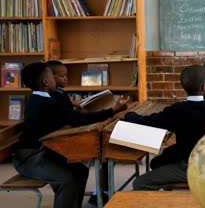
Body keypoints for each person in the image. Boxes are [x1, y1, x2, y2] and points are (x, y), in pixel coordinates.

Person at [13, 62, 128, 208]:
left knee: (80, 170)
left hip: (44, 151)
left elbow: (71, 117)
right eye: (53, 77)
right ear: (46, 82)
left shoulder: (45, 99)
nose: (56, 80)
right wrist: (112, 111)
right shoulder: (45, 104)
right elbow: (77, 120)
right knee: (65, 181)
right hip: (30, 158)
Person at [123, 64, 205, 190]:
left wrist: (129, 114)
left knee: (139, 182)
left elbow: (148, 121)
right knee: (158, 162)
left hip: (189, 167)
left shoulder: (177, 110)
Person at [46, 60, 111, 205]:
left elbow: (69, 115)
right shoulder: (53, 98)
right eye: (63, 76)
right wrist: (110, 111)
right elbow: (73, 119)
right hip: (57, 144)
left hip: (64, 138)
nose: (67, 78)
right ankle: (101, 193)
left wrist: (75, 107)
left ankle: (99, 193)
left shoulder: (59, 94)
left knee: (87, 165)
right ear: (50, 77)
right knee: (97, 150)